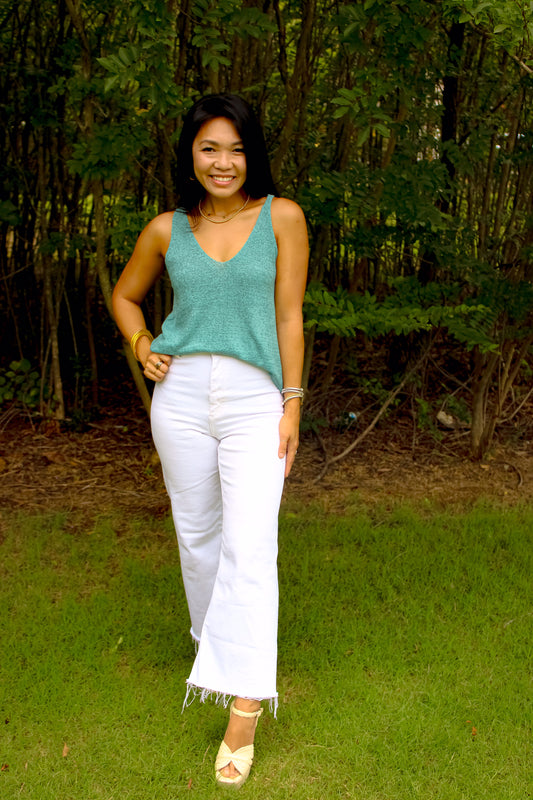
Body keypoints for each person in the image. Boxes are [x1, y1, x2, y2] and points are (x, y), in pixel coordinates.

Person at [112, 93, 308, 788]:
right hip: (183, 399)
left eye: (235, 148)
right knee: (196, 535)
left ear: (251, 152)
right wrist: (141, 342)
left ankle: (244, 706)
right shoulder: (167, 228)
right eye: (208, 149)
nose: (222, 163)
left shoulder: (281, 217)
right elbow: (124, 294)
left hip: (257, 399)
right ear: (189, 155)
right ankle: (215, 650)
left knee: (249, 542)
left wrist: (292, 401)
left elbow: (288, 316)